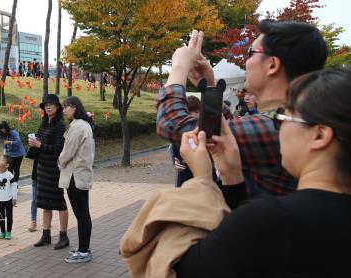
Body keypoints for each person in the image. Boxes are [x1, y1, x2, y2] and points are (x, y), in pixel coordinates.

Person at [122, 68, 351, 277]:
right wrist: (233, 177)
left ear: (320, 135)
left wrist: (202, 181)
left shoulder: (268, 219)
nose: (278, 128)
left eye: (283, 117)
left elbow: (173, 267)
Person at [156, 21, 327, 196]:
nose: (246, 61)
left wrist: (178, 67)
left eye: (250, 53)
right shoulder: (293, 117)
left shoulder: (280, 127)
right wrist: (209, 87)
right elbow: (226, 128)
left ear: (272, 65)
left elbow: (172, 124)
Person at [29, 94, 69, 250]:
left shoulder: (60, 125)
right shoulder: (44, 122)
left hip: (54, 169)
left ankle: (63, 236)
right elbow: (40, 139)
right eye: (46, 105)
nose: (48, 107)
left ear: (57, 106)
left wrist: (40, 145)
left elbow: (60, 149)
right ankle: (46, 235)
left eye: (51, 104)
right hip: (42, 167)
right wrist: (34, 141)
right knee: (45, 202)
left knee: (59, 203)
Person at [59, 96, 95, 264]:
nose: (64, 110)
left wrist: (60, 162)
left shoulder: (77, 126)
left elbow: (68, 152)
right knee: (84, 214)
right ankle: (84, 248)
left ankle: (83, 252)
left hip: (75, 176)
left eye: (66, 107)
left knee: (81, 215)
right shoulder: (85, 124)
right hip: (82, 175)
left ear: (75, 108)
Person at [169, 95, 201, 187]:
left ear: (198, 112)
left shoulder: (205, 130)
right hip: (184, 175)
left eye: (189, 114)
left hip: (202, 177)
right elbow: (174, 150)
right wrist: (175, 160)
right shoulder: (179, 130)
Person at [0, 155, 18, 240]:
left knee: (9, 216)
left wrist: (14, 198)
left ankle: (8, 232)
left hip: (9, 199)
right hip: (0, 199)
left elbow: (14, 186)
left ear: (7, 165)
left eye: (2, 160)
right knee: (1, 216)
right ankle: (2, 232)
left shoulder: (9, 175)